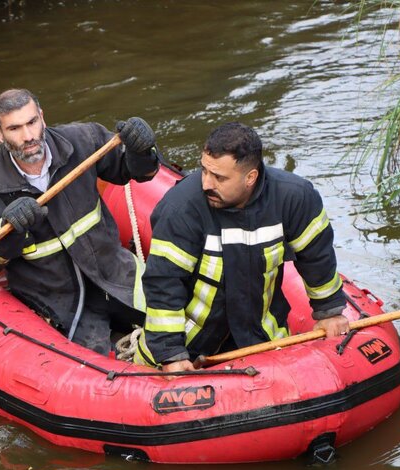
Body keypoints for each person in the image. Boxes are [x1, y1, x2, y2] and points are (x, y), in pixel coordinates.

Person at [0, 88, 163, 355]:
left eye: (32, 122)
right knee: (95, 370)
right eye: (15, 128)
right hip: (58, 302)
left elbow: (132, 171)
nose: (29, 136)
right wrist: (7, 229)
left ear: (42, 117)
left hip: (116, 274)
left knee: (176, 325)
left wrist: (142, 151)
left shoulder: (82, 139)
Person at [135, 122, 349, 372]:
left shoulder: (294, 199)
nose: (206, 184)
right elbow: (164, 282)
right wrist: (171, 354)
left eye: (219, 177)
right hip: (190, 342)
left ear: (251, 177)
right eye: (204, 171)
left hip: (261, 339)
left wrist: (329, 311)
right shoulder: (181, 208)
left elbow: (317, 259)